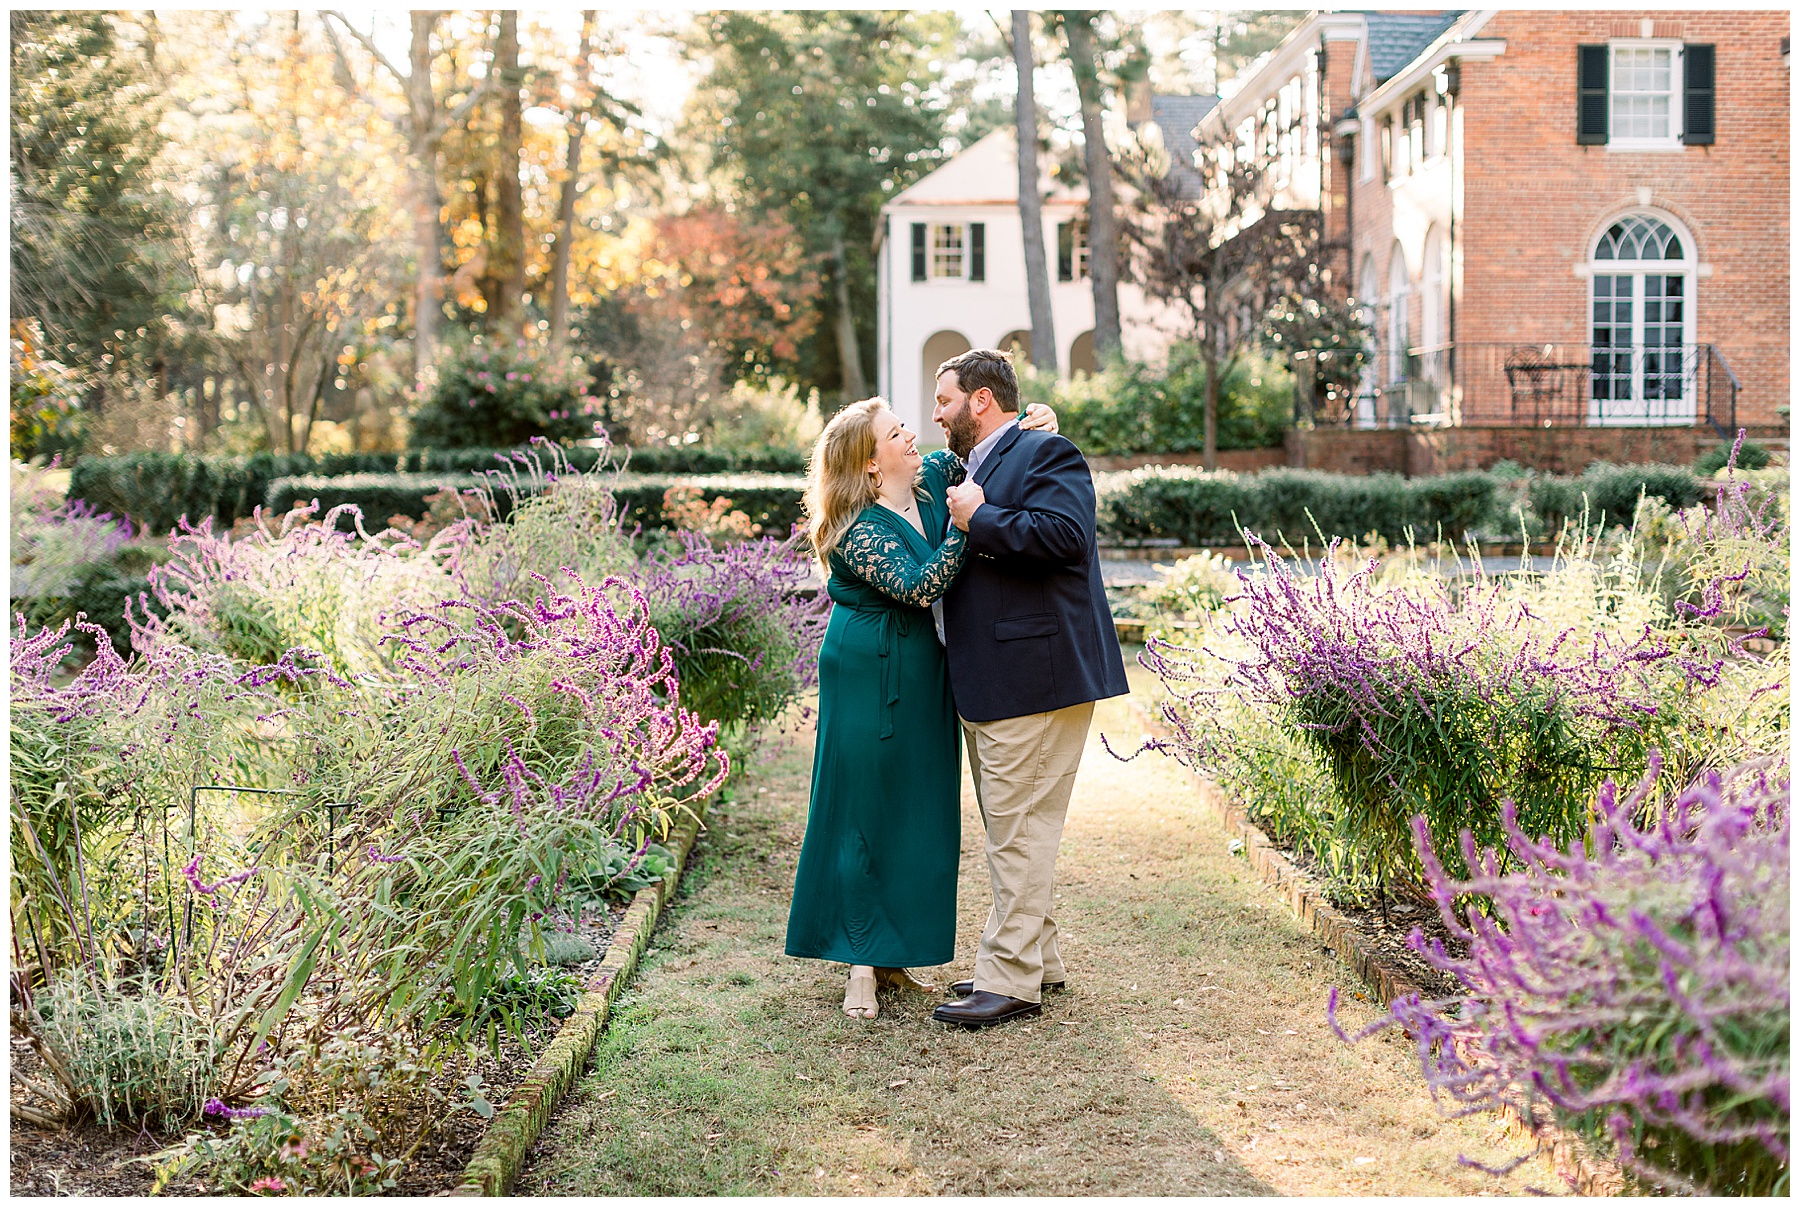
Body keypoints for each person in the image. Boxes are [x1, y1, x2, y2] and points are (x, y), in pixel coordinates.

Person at [784, 395, 1060, 1019]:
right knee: (866, 809)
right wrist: (971, 526)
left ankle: (895, 955)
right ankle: (860, 960)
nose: (912, 433)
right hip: (868, 668)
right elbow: (919, 586)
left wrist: (1032, 422)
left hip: (930, 667)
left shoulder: (935, 478)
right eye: (895, 432)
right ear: (871, 463)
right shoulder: (855, 530)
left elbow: (982, 448)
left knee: (919, 811)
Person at [929, 348, 1130, 1028]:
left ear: (981, 400)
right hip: (998, 680)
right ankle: (1036, 957)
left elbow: (1067, 537)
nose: (938, 413)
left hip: (1035, 676)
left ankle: (1009, 977)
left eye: (946, 399)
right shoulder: (970, 469)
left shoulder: (1047, 452)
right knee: (1016, 827)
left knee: (1016, 832)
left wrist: (979, 516)